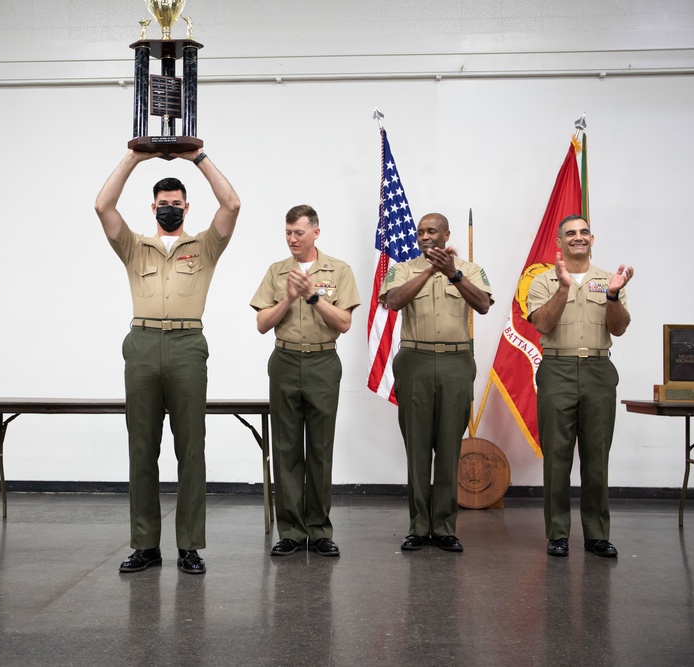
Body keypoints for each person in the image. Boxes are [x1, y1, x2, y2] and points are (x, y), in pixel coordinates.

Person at [95, 149, 240, 575]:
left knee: (191, 448)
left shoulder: (205, 246)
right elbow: (102, 205)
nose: (170, 209)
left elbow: (231, 204)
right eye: (164, 203)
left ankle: (189, 546)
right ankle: (145, 545)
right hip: (141, 344)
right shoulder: (134, 247)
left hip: (186, 344)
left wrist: (200, 158)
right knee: (142, 448)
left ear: (187, 207)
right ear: (153, 206)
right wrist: (132, 158)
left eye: (177, 204)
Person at [250, 205, 361, 557]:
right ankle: (292, 531)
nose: (292, 239)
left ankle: (319, 529)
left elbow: (343, 323)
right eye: (287, 232)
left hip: (323, 361)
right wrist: (289, 298)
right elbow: (263, 323)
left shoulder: (338, 270)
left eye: (298, 232)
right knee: (286, 449)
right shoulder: (276, 271)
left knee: (320, 448)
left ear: (316, 232)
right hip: (284, 359)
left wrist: (313, 296)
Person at [379, 213, 492, 553]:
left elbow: (483, 305)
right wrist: (430, 270)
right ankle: (418, 526)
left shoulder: (469, 270)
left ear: (446, 234)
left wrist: (452, 273)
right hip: (415, 360)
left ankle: (443, 527)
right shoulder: (402, 269)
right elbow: (395, 302)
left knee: (448, 448)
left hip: (456, 362)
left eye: (432, 231)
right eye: (421, 232)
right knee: (416, 448)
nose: (425, 236)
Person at [527, 215, 634, 558]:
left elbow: (618, 329)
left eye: (583, 232)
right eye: (570, 233)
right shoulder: (543, 280)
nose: (578, 237)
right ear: (559, 242)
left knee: (596, 457)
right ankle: (558, 534)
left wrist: (614, 296)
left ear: (592, 239)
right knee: (556, 457)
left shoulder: (609, 280)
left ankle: (597, 535)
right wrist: (562, 287)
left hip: (599, 370)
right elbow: (542, 323)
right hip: (557, 367)